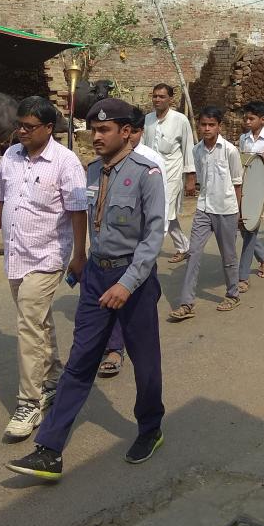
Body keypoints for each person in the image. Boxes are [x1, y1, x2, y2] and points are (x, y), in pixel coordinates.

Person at [6, 98, 166, 482]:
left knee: (145, 363)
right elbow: (86, 222)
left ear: (126, 132)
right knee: (79, 362)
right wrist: (80, 261)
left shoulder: (148, 174)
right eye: (92, 129)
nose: (95, 136)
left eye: (104, 130)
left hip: (134, 279)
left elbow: (152, 237)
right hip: (97, 276)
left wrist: (126, 285)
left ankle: (150, 428)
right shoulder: (91, 171)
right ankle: (49, 448)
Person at [0, 96, 88, 439]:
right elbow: (0, 200)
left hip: (47, 256)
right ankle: (54, 374)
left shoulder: (65, 162)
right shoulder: (10, 157)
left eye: (29, 127)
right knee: (37, 319)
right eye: (20, 125)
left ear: (48, 128)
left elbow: (77, 211)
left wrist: (79, 255)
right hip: (16, 255)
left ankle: (29, 402)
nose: (22, 131)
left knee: (28, 323)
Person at [99, 107, 167, 379]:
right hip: (107, 257)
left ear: (133, 132)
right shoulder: (101, 166)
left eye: (104, 129)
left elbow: (155, 220)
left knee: (141, 318)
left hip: (138, 252)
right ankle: (114, 348)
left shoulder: (149, 164)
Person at [168, 106, 245, 320]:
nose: (207, 128)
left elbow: (238, 183)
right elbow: (201, 178)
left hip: (226, 210)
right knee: (193, 253)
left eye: (211, 125)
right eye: (203, 125)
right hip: (203, 209)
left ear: (219, 126)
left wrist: (238, 213)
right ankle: (186, 302)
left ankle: (233, 294)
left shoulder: (229, 150)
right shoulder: (197, 150)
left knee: (228, 256)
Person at [145, 83, 196, 264]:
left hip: (173, 174)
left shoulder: (180, 120)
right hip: (152, 175)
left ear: (170, 99)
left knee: (164, 213)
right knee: (167, 214)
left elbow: (188, 148)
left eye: (161, 97)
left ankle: (149, 254)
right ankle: (184, 246)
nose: (157, 100)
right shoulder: (148, 120)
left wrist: (190, 177)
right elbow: (143, 148)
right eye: (155, 96)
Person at [237, 101, 264, 289]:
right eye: (246, 118)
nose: (247, 121)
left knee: (250, 229)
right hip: (244, 186)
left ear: (262, 120)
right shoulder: (243, 138)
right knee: (243, 226)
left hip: (261, 188)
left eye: (251, 118)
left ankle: (242, 277)